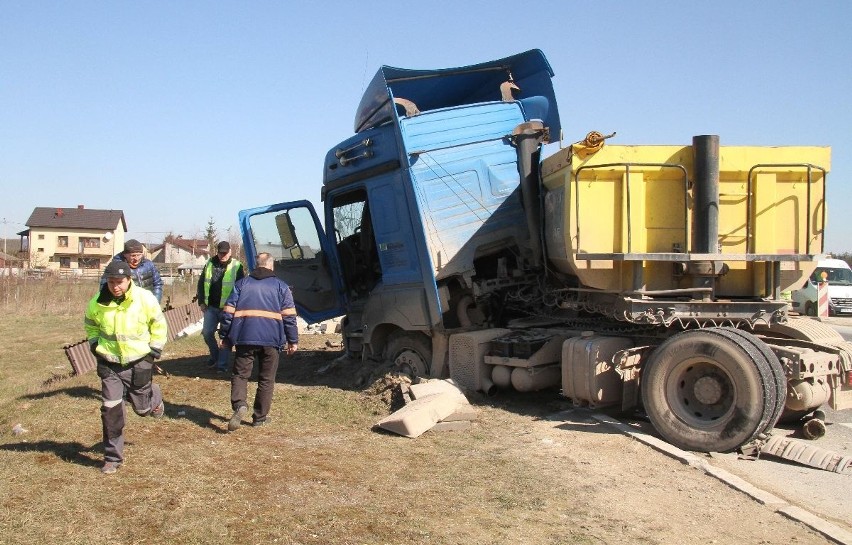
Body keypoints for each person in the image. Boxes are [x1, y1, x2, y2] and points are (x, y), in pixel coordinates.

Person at [85, 260, 168, 474]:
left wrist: (154, 352)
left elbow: (158, 324)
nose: (115, 286)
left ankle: (154, 398)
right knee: (111, 411)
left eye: (120, 282)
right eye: (111, 282)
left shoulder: (144, 298)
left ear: (129, 279)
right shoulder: (97, 302)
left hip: (139, 361)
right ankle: (112, 458)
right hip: (109, 364)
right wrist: (94, 344)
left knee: (142, 409)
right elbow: (91, 325)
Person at [219, 252, 298, 430]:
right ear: (272, 266)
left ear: (256, 265)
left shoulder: (241, 284)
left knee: (240, 375)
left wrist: (224, 337)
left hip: (244, 338)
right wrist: (293, 341)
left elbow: (228, 314)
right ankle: (259, 417)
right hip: (272, 341)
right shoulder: (281, 287)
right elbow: (290, 317)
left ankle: (240, 405)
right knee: (266, 379)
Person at [197, 241, 245, 371]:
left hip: (228, 309)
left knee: (225, 337)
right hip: (210, 307)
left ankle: (222, 366)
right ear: (216, 252)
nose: (222, 255)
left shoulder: (237, 266)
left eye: (225, 253)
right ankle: (216, 356)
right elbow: (201, 284)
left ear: (230, 252)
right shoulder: (209, 264)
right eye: (220, 253)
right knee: (207, 333)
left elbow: (241, 288)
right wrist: (201, 301)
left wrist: (236, 307)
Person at [100, 239, 164, 303]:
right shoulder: (115, 267)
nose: (136, 258)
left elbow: (158, 284)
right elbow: (104, 288)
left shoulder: (149, 265)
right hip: (126, 307)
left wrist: (155, 301)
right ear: (125, 255)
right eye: (133, 255)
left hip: (147, 305)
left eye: (139, 255)